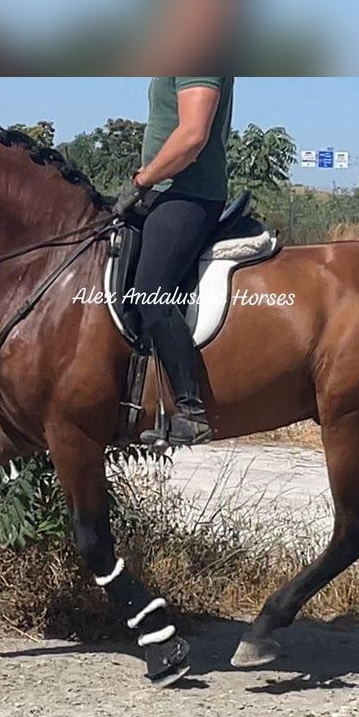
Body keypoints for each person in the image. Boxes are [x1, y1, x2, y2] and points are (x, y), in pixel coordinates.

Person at [113, 76, 234, 446]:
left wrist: (141, 182)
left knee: (150, 292)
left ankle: (189, 409)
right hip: (163, 191)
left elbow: (193, 135)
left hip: (187, 193)